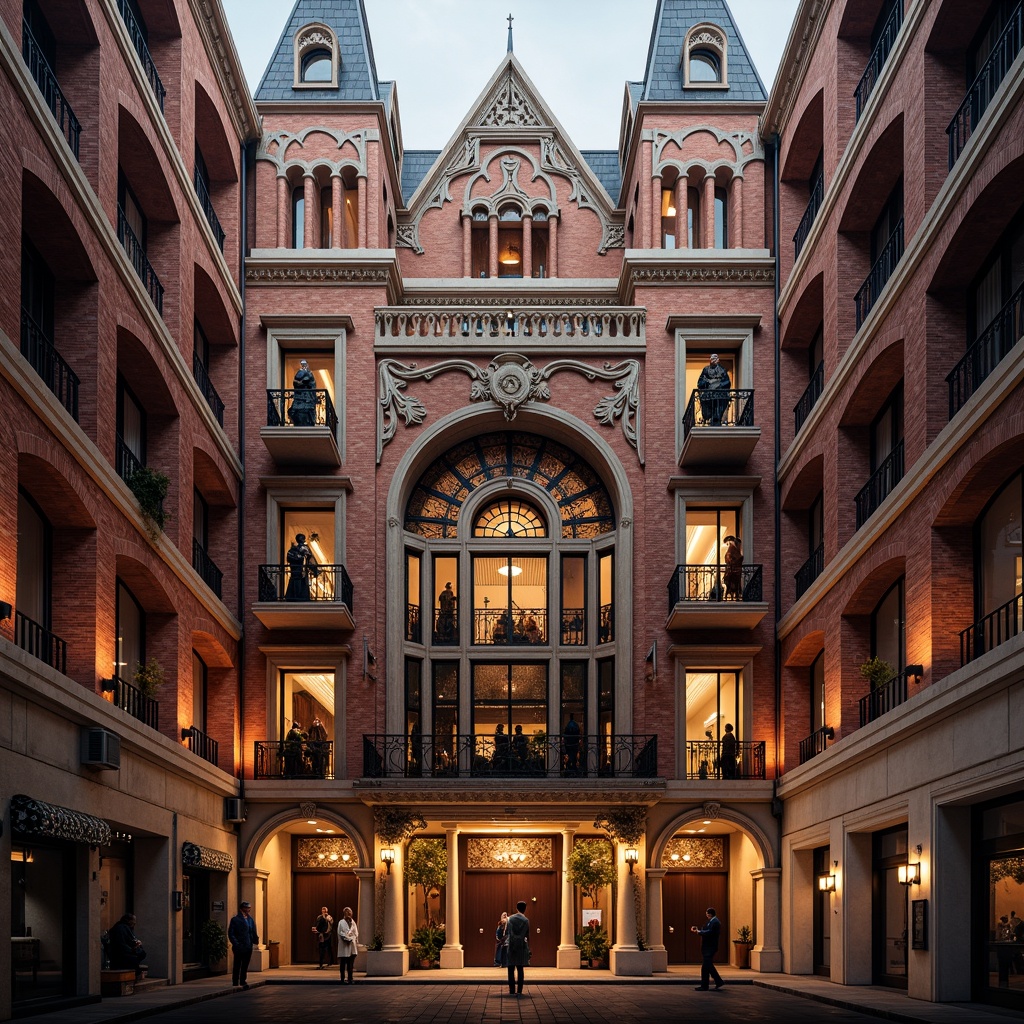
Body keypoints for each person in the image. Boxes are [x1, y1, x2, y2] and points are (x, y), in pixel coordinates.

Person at [691, 907, 724, 990]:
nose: (706, 916)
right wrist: (698, 929)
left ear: (709, 914)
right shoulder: (712, 921)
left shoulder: (715, 922)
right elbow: (707, 929)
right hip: (708, 947)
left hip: (710, 947)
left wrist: (699, 932)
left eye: (707, 914)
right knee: (706, 966)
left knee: (707, 966)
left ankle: (711, 983)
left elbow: (710, 932)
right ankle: (715, 982)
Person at [228, 900, 259, 990]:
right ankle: (235, 981)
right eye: (246, 908)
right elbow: (231, 933)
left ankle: (243, 980)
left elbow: (253, 931)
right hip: (239, 945)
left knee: (245, 964)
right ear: (242, 908)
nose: (248, 910)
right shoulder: (235, 919)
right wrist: (236, 943)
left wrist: (255, 941)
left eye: (249, 908)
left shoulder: (250, 919)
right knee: (237, 964)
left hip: (248, 945)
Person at [697, 352, 731, 426]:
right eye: (712, 359)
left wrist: (719, 384)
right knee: (708, 412)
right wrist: (707, 382)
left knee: (717, 412)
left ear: (718, 360)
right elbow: (700, 383)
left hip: (719, 395)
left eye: (715, 359)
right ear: (710, 360)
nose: (713, 360)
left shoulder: (722, 370)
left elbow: (727, 382)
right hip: (708, 395)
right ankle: (709, 419)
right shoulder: (706, 369)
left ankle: (716, 420)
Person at [505, 900, 530, 996]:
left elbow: (508, 932)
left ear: (517, 908)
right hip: (521, 947)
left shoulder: (510, 919)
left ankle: (512, 990)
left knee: (510, 969)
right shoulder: (526, 920)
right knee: (520, 968)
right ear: (525, 909)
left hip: (511, 946)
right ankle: (519, 990)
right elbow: (526, 935)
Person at [284, 533, 318, 601]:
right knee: (296, 586)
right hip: (296, 572)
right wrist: (300, 555)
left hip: (304, 574)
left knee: (304, 587)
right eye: (302, 539)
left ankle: (304, 598)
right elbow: (290, 558)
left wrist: (315, 570)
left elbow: (309, 561)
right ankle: (293, 597)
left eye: (304, 539)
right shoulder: (292, 550)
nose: (303, 541)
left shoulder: (306, 550)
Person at [288, 358, 317, 426]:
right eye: (302, 364)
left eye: (304, 364)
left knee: (306, 415)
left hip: (306, 399)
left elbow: (308, 381)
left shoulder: (309, 373)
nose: (303, 366)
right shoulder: (302, 372)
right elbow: (296, 382)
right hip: (300, 399)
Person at [336, 906, 359, 984]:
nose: (348, 914)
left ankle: (350, 978)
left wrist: (352, 938)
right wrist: (347, 938)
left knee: (350, 964)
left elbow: (356, 933)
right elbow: (340, 933)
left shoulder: (353, 922)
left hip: (352, 945)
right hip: (344, 945)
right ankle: (342, 979)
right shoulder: (341, 922)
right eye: (346, 912)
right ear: (344, 914)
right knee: (343, 964)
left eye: (349, 912)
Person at [722, 535, 743, 600]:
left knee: (733, 584)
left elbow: (732, 558)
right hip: (733, 571)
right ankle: (733, 595)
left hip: (733, 571)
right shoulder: (733, 549)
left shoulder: (733, 549)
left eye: (728, 543)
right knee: (732, 585)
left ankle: (734, 595)